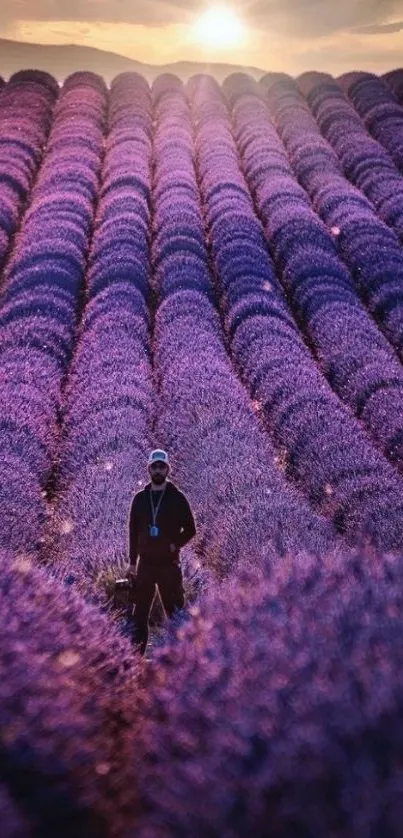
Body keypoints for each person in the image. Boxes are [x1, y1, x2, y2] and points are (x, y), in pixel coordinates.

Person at [128, 449, 197, 656]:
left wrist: (176, 544)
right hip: (146, 565)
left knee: (175, 614)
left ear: (168, 469)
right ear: (149, 469)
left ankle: (184, 659)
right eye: (154, 466)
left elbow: (191, 529)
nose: (158, 470)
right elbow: (132, 531)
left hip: (169, 565)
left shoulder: (177, 498)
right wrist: (132, 563)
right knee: (139, 617)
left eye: (162, 466)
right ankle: (135, 664)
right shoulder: (140, 499)